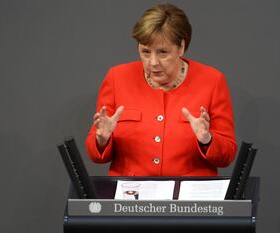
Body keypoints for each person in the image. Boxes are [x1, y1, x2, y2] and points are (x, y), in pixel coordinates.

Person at [85, 3, 236, 176]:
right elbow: (95, 155)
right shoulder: (116, 78)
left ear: (181, 47)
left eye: (163, 52)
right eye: (145, 52)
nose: (153, 62)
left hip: (190, 198)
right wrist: (102, 139)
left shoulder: (212, 81)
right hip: (132, 195)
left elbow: (227, 154)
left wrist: (207, 140)